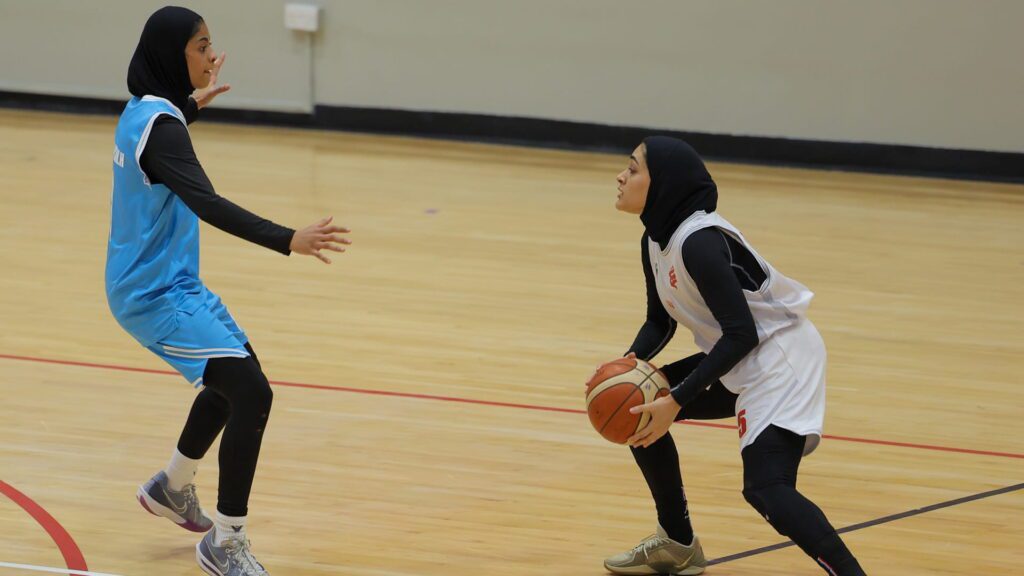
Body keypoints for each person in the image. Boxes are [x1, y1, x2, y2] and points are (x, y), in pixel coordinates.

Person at [106, 7, 351, 575]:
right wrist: (288, 238)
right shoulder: (163, 130)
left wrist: (191, 105)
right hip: (153, 296)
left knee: (237, 379)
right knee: (252, 394)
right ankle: (225, 542)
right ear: (171, 56)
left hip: (170, 284)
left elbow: (164, 143)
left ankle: (172, 486)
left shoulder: (144, 110)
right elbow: (208, 204)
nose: (211, 55)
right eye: (200, 47)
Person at [599, 136, 866, 575]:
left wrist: (676, 399)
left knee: (767, 488)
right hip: (738, 354)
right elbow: (659, 322)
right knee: (635, 408)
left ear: (662, 182)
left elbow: (743, 333)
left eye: (632, 168)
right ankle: (678, 544)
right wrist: (627, 364)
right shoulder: (655, 240)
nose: (620, 177)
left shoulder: (699, 243)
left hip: (781, 357)